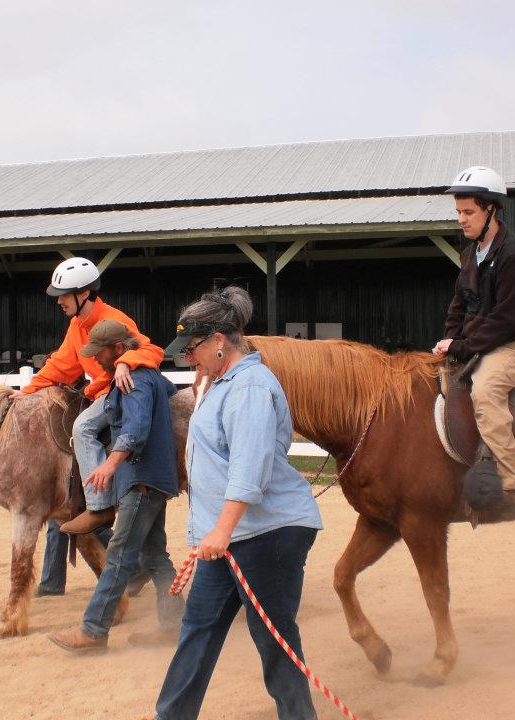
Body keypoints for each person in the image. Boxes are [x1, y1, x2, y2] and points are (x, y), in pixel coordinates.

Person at [155, 287, 323, 720]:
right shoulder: (221, 382)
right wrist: (217, 532)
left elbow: (249, 472)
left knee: (273, 637)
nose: (187, 358)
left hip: (265, 534)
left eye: (192, 349)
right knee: (198, 629)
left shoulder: (249, 386)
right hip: (228, 535)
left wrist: (222, 530)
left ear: (218, 342)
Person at [19, 257, 163, 594]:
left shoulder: (115, 321)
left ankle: (98, 504)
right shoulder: (76, 327)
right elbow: (61, 365)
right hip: (97, 393)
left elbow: (151, 349)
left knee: (82, 428)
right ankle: (55, 578)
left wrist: (126, 361)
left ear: (83, 293)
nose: (59, 300)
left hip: (116, 395)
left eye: (64, 295)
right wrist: (24, 395)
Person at [47, 319, 183, 651]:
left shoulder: (133, 381)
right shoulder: (142, 375)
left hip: (141, 480)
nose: (97, 359)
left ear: (118, 349)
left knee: (120, 555)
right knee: (154, 557)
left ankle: (93, 631)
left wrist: (108, 464)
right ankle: (175, 624)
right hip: (151, 479)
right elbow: (166, 390)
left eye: (102, 353)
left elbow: (135, 429)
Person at [431, 166, 515, 514]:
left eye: (469, 212)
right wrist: (447, 341)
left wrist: (463, 347)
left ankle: (506, 486)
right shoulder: (470, 255)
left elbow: (506, 320)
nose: (462, 220)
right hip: (482, 342)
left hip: (514, 344)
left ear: (491, 210)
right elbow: (458, 305)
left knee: (486, 391)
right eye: (458, 212)